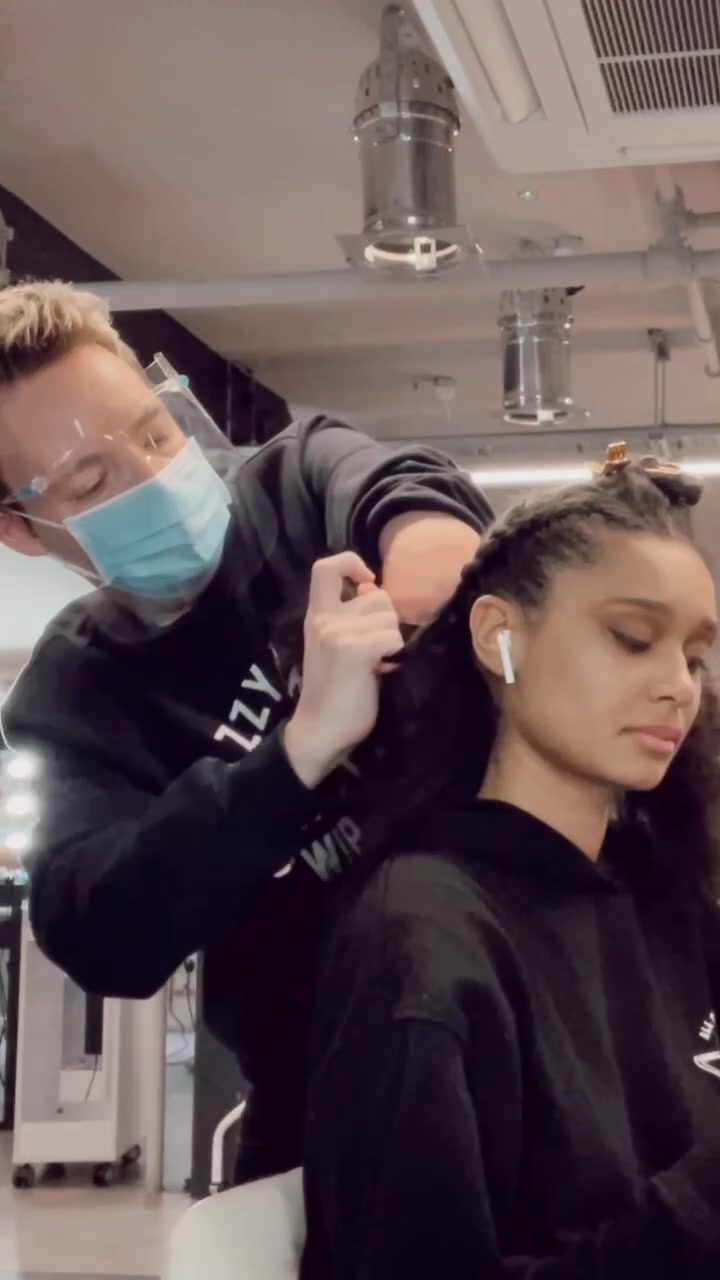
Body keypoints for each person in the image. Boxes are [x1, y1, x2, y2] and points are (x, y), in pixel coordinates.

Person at [0, 280, 492, 1182]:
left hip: (512, 1016)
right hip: (322, 1099)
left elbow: (395, 484)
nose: (153, 478)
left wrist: (429, 551)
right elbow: (97, 930)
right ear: (22, 529)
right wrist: (297, 754)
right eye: (90, 482)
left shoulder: (292, 484)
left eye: (155, 433)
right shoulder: (74, 696)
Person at [301, 450, 720, 1279]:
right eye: (633, 640)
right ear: (498, 637)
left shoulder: (664, 898)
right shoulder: (421, 945)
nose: (678, 685)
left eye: (696, 658)